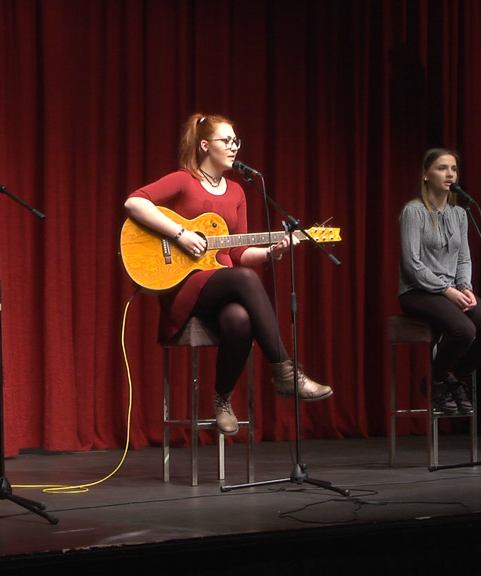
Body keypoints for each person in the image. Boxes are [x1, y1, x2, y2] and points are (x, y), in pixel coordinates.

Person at [124, 113, 333, 436]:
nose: (234, 147)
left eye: (236, 141)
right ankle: (286, 373)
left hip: (221, 284)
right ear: (205, 146)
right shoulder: (184, 180)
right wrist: (180, 234)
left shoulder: (237, 191)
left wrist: (272, 252)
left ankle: (222, 400)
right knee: (245, 279)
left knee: (240, 318)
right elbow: (134, 202)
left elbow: (238, 254)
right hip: (184, 284)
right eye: (227, 140)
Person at [398, 148, 481, 415]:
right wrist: (447, 290)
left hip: (452, 289)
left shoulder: (460, 214)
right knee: (464, 330)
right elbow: (412, 265)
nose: (449, 174)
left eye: (453, 169)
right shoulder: (414, 211)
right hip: (418, 291)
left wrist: (465, 287)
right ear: (426, 175)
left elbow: (464, 259)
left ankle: (451, 377)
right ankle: (435, 382)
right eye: (442, 168)